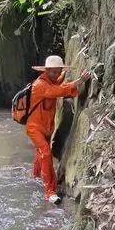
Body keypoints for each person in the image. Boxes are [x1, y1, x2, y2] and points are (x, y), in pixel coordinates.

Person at [26, 55, 91, 204]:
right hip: (34, 127)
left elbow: (57, 82)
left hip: (46, 126)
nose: (55, 74)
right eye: (52, 72)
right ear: (46, 70)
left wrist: (63, 76)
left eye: (58, 71)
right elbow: (59, 91)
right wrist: (80, 81)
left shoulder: (51, 80)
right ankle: (49, 191)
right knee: (46, 152)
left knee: (41, 151)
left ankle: (36, 175)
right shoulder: (40, 85)